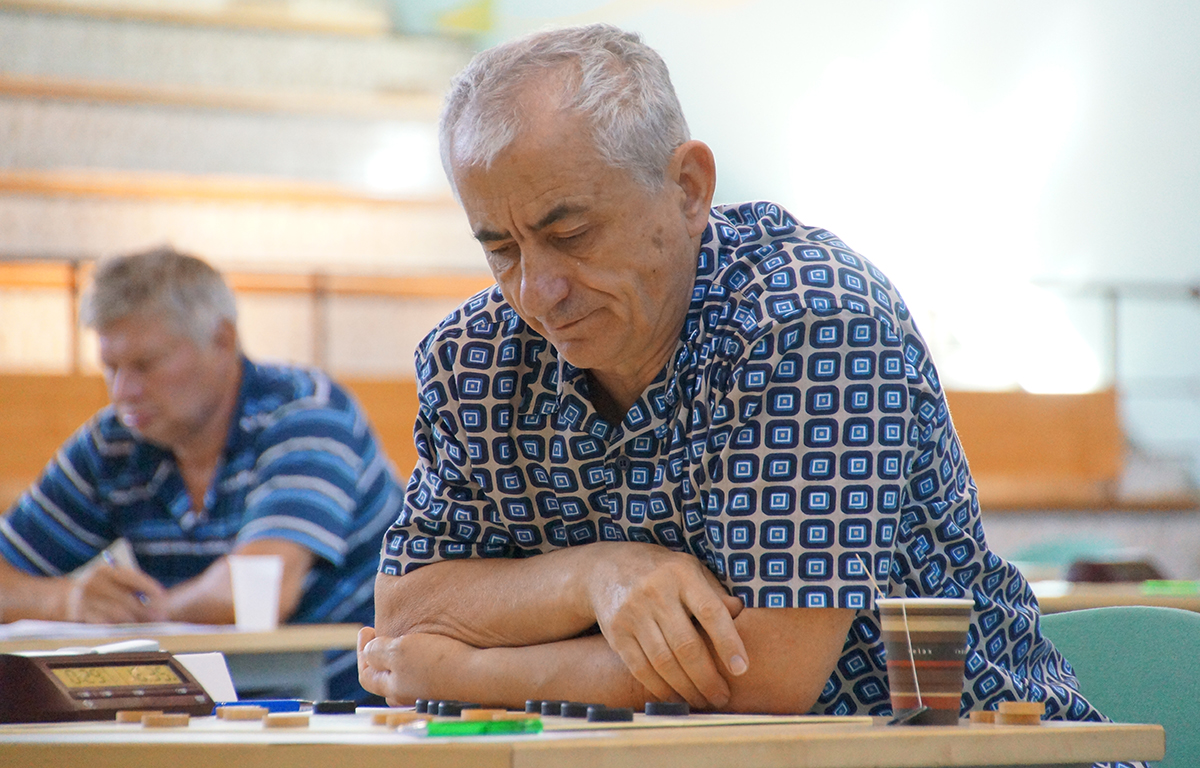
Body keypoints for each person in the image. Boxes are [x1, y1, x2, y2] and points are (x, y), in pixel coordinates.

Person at [359, 22, 1117, 732]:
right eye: (501, 250)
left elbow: (766, 678)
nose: (537, 291)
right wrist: (596, 577)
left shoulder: (811, 318)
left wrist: (464, 673)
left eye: (572, 234)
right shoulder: (475, 358)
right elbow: (403, 609)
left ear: (689, 188)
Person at [0, 246, 400, 702]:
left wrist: (143, 612)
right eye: (110, 367)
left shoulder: (306, 412)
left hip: (362, 705)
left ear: (223, 340)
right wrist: (67, 601)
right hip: (209, 704)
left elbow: (260, 586)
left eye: (146, 365)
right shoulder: (114, 443)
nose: (123, 391)